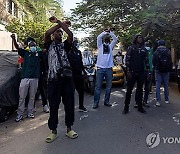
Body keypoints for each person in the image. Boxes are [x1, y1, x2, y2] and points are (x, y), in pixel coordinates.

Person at [44, 16, 78, 143]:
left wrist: (59, 22)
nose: (59, 33)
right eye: (57, 32)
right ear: (54, 35)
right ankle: (53, 130)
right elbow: (47, 33)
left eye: (60, 32)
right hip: (53, 80)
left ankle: (69, 128)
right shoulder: (48, 45)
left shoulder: (66, 45)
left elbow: (70, 34)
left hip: (67, 80)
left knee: (69, 104)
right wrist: (60, 24)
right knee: (53, 106)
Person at [11, 34, 42, 122]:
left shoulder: (38, 54)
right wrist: (14, 39)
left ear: (36, 47)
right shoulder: (25, 53)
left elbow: (45, 50)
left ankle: (30, 112)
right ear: (28, 47)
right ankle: (19, 114)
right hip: (25, 78)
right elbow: (17, 47)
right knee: (22, 97)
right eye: (31, 46)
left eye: (34, 46)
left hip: (35, 78)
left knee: (32, 97)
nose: (33, 47)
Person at [122, 34, 150, 114]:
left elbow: (146, 61)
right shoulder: (131, 48)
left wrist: (148, 72)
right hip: (132, 72)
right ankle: (126, 107)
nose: (140, 39)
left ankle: (140, 106)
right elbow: (127, 60)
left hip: (141, 72)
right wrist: (128, 71)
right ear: (136, 39)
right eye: (139, 37)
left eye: (142, 38)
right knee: (129, 90)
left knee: (140, 90)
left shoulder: (144, 49)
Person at [93, 28, 118, 109]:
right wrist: (105, 32)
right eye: (105, 39)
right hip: (100, 68)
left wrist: (110, 32)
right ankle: (96, 103)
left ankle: (106, 101)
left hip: (109, 69)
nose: (107, 40)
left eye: (108, 39)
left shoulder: (111, 47)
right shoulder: (100, 46)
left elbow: (115, 39)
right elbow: (98, 38)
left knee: (109, 87)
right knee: (98, 87)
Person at [67, 39, 87, 112]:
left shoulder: (79, 52)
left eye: (77, 43)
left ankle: (81, 106)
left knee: (81, 91)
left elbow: (81, 63)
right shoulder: (69, 53)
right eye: (76, 43)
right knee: (71, 92)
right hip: (72, 75)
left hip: (79, 74)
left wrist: (84, 72)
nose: (77, 44)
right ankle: (70, 108)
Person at [152, 40, 172, 106]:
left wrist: (155, 67)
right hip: (166, 70)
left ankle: (158, 101)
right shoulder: (168, 51)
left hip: (158, 70)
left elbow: (153, 61)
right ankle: (166, 99)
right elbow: (170, 61)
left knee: (158, 85)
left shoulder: (156, 52)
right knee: (166, 84)